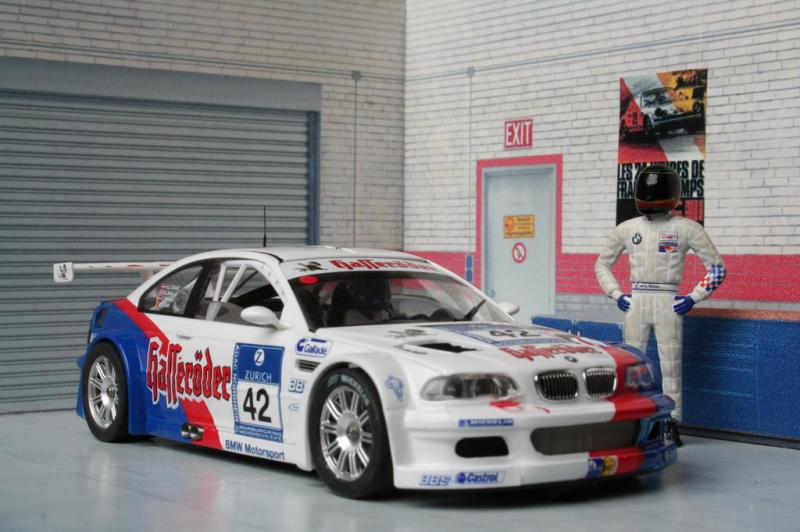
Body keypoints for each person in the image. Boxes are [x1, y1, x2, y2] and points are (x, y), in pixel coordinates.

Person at [595, 164, 726, 446]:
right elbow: (601, 265)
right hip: (638, 300)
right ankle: (632, 421)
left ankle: (671, 422)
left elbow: (717, 269)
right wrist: (617, 294)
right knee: (631, 365)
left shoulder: (686, 228)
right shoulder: (627, 229)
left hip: (667, 301)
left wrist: (693, 297)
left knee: (671, 367)